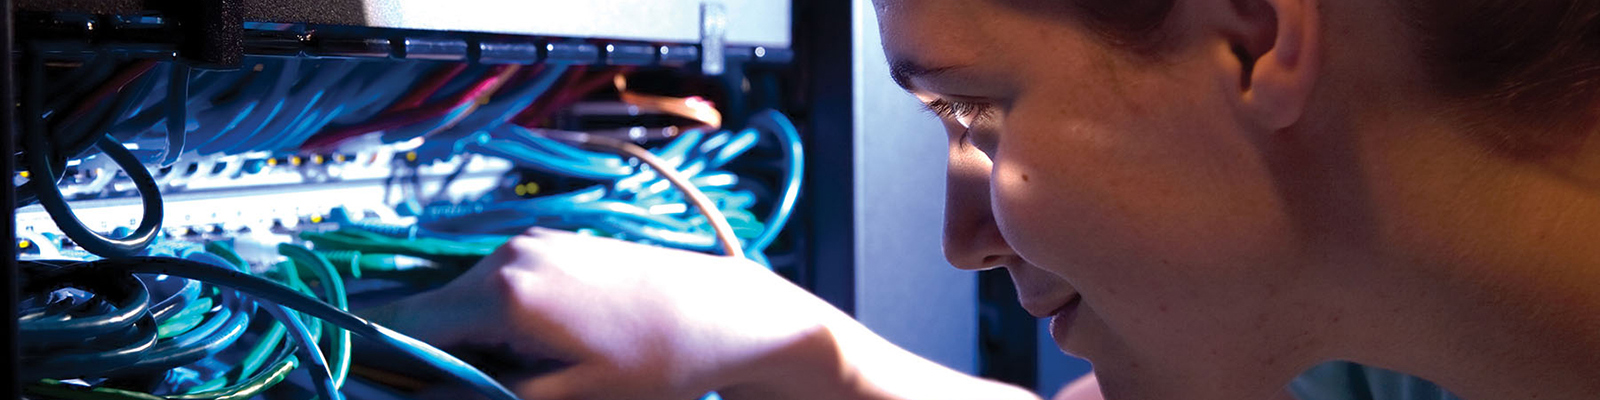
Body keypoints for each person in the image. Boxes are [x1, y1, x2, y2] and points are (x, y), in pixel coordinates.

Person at [362, 0, 1600, 398]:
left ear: (1253, 39)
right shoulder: (1398, 327)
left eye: (973, 110)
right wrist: (822, 357)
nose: (961, 246)